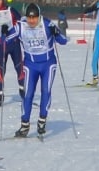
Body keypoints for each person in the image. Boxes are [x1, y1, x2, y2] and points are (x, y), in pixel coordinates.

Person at [14, 8, 67, 137]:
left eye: (34, 17)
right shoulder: (20, 26)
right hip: (30, 65)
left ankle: (42, 120)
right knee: (28, 94)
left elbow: (63, 41)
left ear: (39, 16)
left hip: (48, 64)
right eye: (29, 17)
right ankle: (24, 125)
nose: (31, 21)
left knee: (45, 90)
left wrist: (56, 33)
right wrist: (4, 31)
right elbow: (6, 39)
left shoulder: (47, 24)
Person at [0, 0, 24, 105]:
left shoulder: (10, 10)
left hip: (14, 44)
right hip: (1, 46)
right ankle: (0, 95)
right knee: (1, 70)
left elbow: (21, 21)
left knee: (19, 67)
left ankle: (23, 92)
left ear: (2, 0)